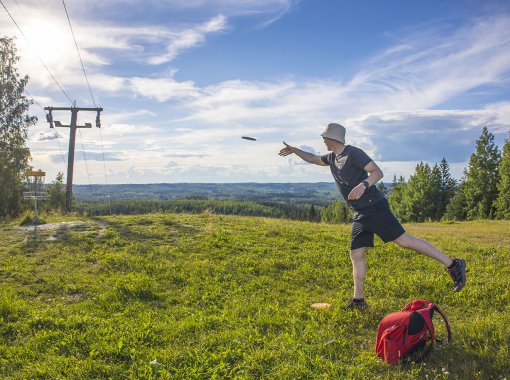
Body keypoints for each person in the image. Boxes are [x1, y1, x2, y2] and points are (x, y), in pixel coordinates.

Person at [278, 123, 466, 310]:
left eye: (324, 136)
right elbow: (312, 158)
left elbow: (377, 172)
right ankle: (358, 301)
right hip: (360, 213)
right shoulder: (333, 158)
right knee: (356, 253)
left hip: (374, 207)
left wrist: (363, 185)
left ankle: (453, 264)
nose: (322, 139)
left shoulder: (354, 153)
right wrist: (294, 150)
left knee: (404, 241)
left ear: (332, 138)